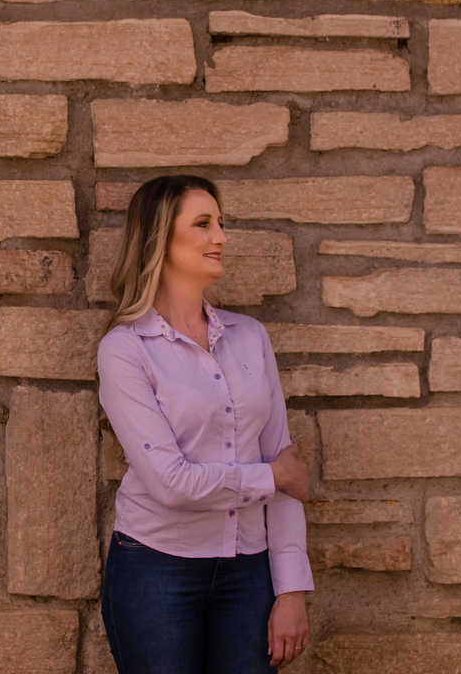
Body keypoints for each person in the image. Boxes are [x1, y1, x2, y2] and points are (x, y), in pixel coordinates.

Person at [97, 175, 313, 674]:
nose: (221, 237)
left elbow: (285, 465)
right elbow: (171, 483)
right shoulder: (125, 350)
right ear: (159, 239)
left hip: (250, 573)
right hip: (156, 568)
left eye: (221, 223)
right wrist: (271, 477)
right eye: (203, 224)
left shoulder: (250, 337)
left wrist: (292, 590)